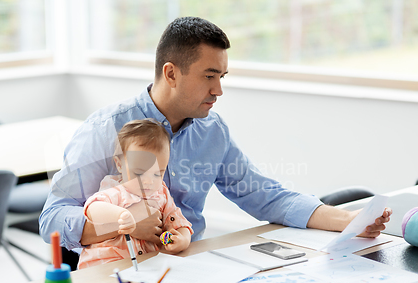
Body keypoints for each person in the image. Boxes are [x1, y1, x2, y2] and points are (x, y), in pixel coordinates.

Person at [40, 16, 391, 254]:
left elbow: (266, 196)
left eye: (223, 76)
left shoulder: (213, 131)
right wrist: (122, 225)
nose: (219, 90)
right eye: (209, 76)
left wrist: (349, 221)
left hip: (187, 265)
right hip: (118, 271)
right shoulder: (105, 130)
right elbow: (52, 219)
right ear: (171, 73)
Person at [78, 119, 192, 268]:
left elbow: (179, 222)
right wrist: (121, 215)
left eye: (158, 174)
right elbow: (92, 208)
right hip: (107, 262)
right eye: (139, 173)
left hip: (145, 264)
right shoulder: (115, 189)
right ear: (119, 164)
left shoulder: (161, 193)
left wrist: (182, 240)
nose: (149, 181)